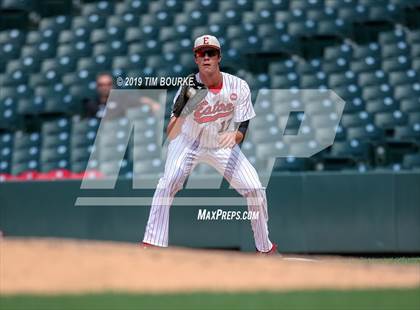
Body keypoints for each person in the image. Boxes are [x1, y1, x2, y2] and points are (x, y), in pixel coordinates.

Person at [142, 35, 277, 254]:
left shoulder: (238, 86)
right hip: (188, 141)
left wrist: (235, 137)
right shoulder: (188, 86)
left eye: (211, 53)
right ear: (195, 59)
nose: (206, 57)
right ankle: (152, 244)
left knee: (254, 188)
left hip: (221, 144)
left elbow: (243, 126)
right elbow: (171, 133)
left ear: (219, 57)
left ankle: (265, 248)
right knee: (167, 183)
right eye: (201, 53)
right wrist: (182, 112)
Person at [82, 73, 161, 119]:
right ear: (97, 87)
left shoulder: (121, 99)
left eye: (108, 84)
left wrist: (153, 104)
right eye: (101, 85)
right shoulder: (90, 104)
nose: (105, 87)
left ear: (113, 85)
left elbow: (144, 100)